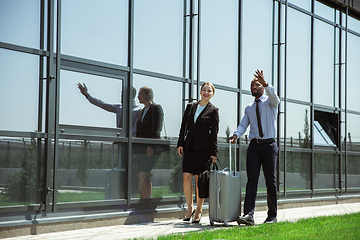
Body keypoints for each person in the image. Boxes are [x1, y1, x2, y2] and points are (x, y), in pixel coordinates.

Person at [229, 69, 280, 225]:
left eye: (257, 85)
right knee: (251, 180)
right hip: (254, 147)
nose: (253, 87)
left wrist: (267, 84)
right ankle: (249, 215)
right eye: (252, 85)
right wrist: (237, 134)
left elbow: (277, 99)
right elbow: (244, 124)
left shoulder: (270, 102)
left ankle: (272, 216)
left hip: (269, 145)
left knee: (270, 180)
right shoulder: (249, 107)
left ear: (263, 87)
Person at [177, 82, 219, 224]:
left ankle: (199, 210)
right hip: (189, 147)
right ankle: (190, 208)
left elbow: (214, 134)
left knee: (198, 180)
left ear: (213, 94)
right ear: (200, 91)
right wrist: (180, 143)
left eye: (209, 91)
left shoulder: (213, 110)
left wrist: (214, 153)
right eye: (204, 90)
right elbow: (183, 126)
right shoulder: (190, 107)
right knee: (186, 177)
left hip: (203, 150)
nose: (206, 92)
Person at [133, 86, 164, 198]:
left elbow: (157, 127)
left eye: (140, 94)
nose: (138, 96)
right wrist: (136, 150)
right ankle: (145, 199)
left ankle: (147, 199)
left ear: (148, 95)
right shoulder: (141, 112)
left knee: (143, 174)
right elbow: (138, 132)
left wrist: (151, 145)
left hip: (152, 148)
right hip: (141, 148)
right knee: (141, 175)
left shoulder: (156, 108)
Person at [77, 83, 141, 136]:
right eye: (121, 93)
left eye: (123, 93)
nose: (121, 96)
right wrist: (87, 95)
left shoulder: (138, 110)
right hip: (120, 142)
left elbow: (135, 129)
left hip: (130, 143)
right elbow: (102, 104)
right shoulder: (119, 107)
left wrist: (127, 139)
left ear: (131, 95)